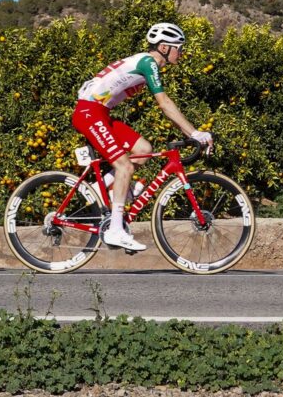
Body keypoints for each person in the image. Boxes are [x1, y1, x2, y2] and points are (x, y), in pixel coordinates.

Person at [71, 22, 212, 252]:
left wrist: (190, 132)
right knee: (125, 166)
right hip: (90, 112)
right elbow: (164, 104)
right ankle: (115, 230)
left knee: (144, 150)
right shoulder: (149, 63)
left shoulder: (145, 63)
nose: (182, 52)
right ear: (164, 47)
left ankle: (99, 188)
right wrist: (195, 133)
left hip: (99, 112)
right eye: (179, 48)